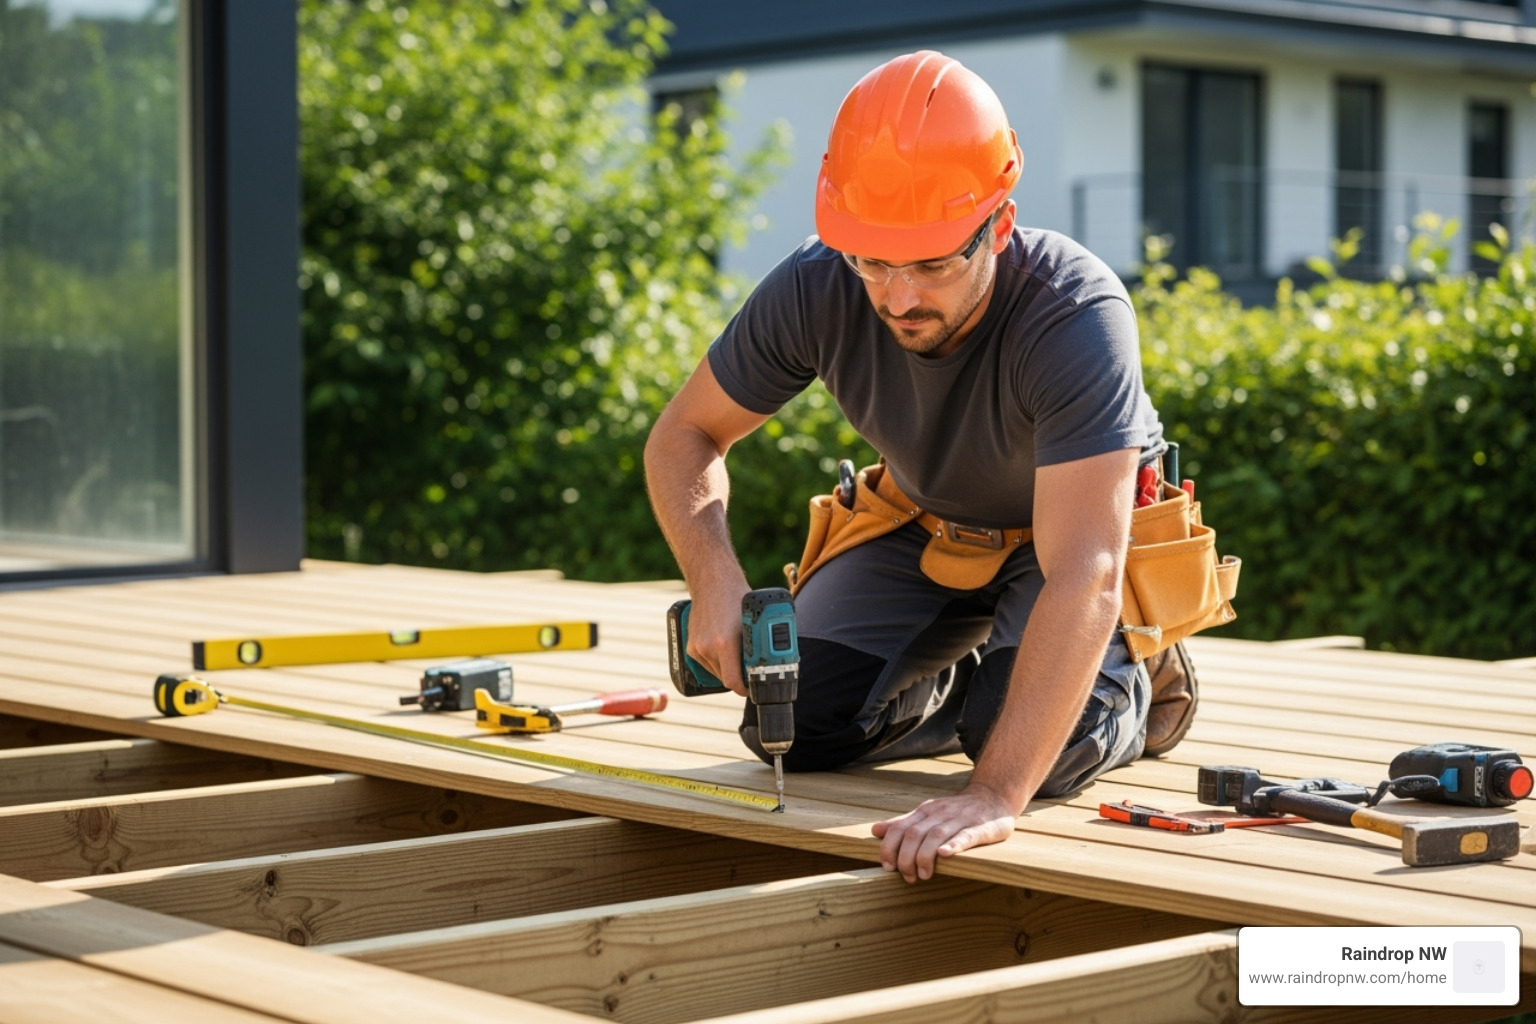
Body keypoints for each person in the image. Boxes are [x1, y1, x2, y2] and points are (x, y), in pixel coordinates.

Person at [643, 50, 1167, 883]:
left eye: (932, 263)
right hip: (924, 525)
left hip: (1063, 546)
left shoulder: (1076, 313)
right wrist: (714, 579)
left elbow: (1086, 571)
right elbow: (683, 436)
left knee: (1038, 753)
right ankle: (974, 690)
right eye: (873, 261)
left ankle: (1140, 683)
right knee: (794, 725)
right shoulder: (816, 287)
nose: (898, 298)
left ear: (999, 225)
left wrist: (993, 793)